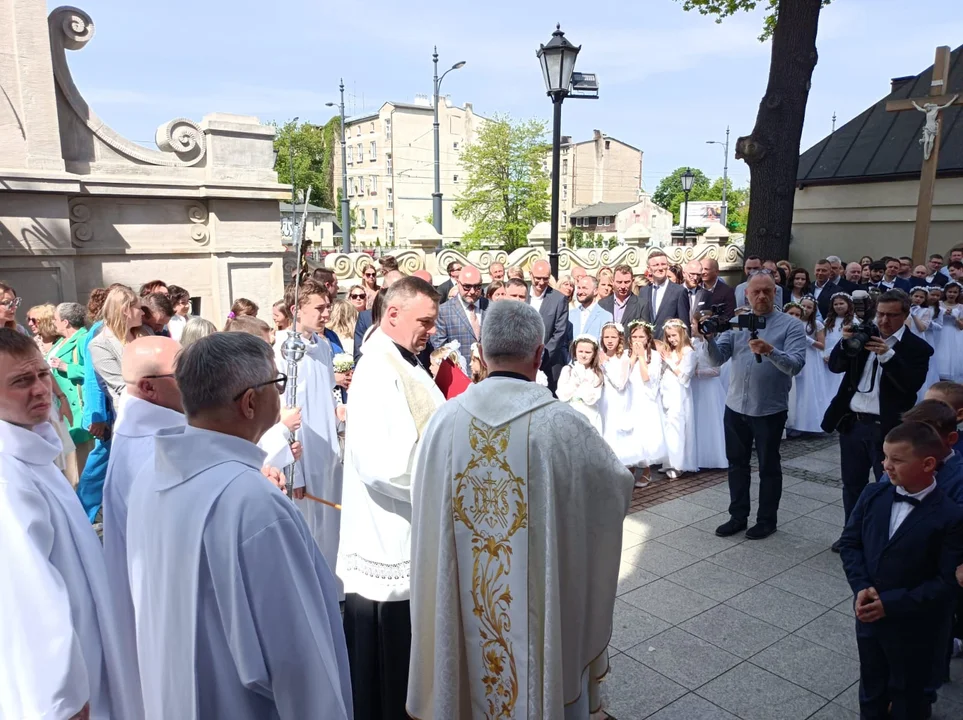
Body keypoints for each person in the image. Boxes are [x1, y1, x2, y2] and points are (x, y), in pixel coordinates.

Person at [407, 300, 634, 719]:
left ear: (481, 350)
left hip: (463, 596)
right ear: (538, 353)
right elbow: (616, 487)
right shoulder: (562, 426)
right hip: (533, 603)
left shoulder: (444, 422)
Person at [125, 333, 351, 718]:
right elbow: (299, 656)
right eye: (276, 383)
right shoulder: (253, 502)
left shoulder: (149, 476)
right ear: (250, 402)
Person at [0, 328, 141, 720]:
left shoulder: (33, 452)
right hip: (67, 685)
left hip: (88, 650)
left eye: (42, 375)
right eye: (20, 382)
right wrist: (61, 698)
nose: (40, 389)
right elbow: (29, 597)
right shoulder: (7, 479)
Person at [338, 276, 446, 719]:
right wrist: (445, 481)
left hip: (405, 530)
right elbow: (383, 464)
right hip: (390, 538)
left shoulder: (405, 361)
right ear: (393, 315)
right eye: (425, 321)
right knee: (389, 665)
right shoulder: (379, 369)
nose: (431, 331)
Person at [839, 421, 963, 720]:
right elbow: (850, 544)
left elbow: (948, 583)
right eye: (884, 457)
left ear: (928, 464)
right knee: (871, 688)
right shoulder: (873, 495)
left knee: (911, 697)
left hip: (917, 629)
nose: (885, 465)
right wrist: (862, 587)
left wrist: (891, 604)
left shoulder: (951, 516)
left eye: (896, 460)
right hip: (869, 618)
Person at [101, 336, 184, 718]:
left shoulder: (144, 430)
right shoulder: (153, 446)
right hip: (168, 610)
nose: (194, 380)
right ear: (149, 387)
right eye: (182, 373)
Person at [822, 289, 933, 551]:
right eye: (881, 314)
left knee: (888, 487)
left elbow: (910, 386)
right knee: (852, 484)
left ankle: (882, 537)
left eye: (892, 316)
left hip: (889, 429)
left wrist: (887, 356)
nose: (884, 321)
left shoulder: (918, 348)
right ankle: (852, 532)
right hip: (854, 423)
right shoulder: (864, 337)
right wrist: (843, 342)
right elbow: (836, 367)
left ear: (905, 315)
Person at [700, 273, 807, 540]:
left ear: (776, 293)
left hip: (769, 409)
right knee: (737, 464)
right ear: (747, 295)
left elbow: (795, 365)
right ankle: (738, 516)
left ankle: (766, 520)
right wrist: (709, 339)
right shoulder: (738, 323)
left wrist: (770, 351)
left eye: (767, 292)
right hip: (736, 406)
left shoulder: (790, 326)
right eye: (756, 292)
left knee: (769, 466)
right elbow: (717, 359)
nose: (761, 296)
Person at [274, 279, 344, 596]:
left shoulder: (324, 345)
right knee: (309, 530)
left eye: (328, 306)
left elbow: (328, 393)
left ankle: (331, 590)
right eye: (319, 307)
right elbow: (285, 409)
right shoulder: (284, 351)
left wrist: (340, 421)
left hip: (328, 450)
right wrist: (294, 469)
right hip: (304, 454)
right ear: (295, 310)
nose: (326, 312)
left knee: (331, 529)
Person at [50, 302, 93, 474]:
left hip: (76, 407)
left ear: (65, 322)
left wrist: (68, 368)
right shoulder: (60, 341)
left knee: (80, 461)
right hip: (60, 406)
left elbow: (93, 371)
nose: (53, 323)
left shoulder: (84, 339)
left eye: (55, 319)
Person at [625, 320, 667, 486]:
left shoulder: (654, 356)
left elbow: (646, 377)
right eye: (634, 336)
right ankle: (632, 467)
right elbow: (623, 375)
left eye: (641, 336)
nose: (637, 340)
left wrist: (641, 357)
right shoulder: (627, 354)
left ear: (648, 338)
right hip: (631, 397)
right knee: (631, 434)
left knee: (645, 434)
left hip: (646, 398)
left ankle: (647, 471)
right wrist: (633, 357)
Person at [88, 286, 145, 405]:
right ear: (126, 310)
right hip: (131, 411)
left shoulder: (144, 333)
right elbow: (120, 386)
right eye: (139, 308)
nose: (143, 313)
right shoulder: (100, 345)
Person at [659, 319, 697, 478]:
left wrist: (669, 361)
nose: (671, 339)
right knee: (667, 427)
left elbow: (685, 376)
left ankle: (678, 463)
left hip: (679, 394)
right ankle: (668, 461)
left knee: (678, 426)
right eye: (668, 336)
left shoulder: (689, 352)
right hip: (667, 391)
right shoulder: (671, 351)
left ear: (682, 334)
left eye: (674, 335)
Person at [785, 298, 829, 435]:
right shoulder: (788, 322)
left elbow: (822, 345)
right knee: (794, 391)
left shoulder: (816, 324)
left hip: (809, 359)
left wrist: (807, 339)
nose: (806, 309)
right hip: (793, 354)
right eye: (803, 305)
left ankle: (807, 423)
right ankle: (792, 422)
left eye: (809, 307)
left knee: (806, 390)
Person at [433, 264, 488, 369]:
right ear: (458, 283)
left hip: (489, 378)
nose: (472, 291)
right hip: (460, 378)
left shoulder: (491, 308)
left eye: (477, 287)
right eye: (467, 286)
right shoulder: (443, 312)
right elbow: (440, 352)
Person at [528, 259, 570, 391]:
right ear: (530, 275)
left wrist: (541, 357)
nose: (541, 283)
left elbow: (560, 333)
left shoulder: (559, 299)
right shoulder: (521, 296)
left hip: (549, 364)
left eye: (545, 279)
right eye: (538, 278)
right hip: (522, 363)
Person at [691, 332, 727, 470]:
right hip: (696, 387)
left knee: (710, 420)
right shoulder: (693, 343)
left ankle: (714, 456)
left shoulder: (712, 345)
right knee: (697, 420)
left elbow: (716, 371)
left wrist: (696, 373)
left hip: (709, 387)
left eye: (695, 324)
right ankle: (697, 456)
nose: (693, 327)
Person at [557, 334, 604, 433]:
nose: (583, 355)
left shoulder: (596, 373)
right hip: (570, 411)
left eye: (588, 352)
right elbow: (562, 395)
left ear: (594, 353)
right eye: (580, 351)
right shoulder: (568, 370)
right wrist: (575, 382)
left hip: (589, 414)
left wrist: (584, 381)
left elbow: (592, 399)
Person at [639, 250, 690, 338]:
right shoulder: (644, 291)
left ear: (668, 266)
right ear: (649, 269)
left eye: (663, 264)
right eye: (656, 265)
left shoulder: (679, 291)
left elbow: (684, 325)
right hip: (648, 346)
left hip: (669, 346)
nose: (660, 268)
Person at [908, 287, 942, 401]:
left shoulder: (925, 311)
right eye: (916, 296)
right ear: (911, 296)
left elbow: (922, 328)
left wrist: (914, 315)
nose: (918, 299)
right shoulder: (904, 308)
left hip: (917, 339)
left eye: (921, 297)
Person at [570, 275, 613, 340]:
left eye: (584, 288)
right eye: (579, 288)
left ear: (595, 291)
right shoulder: (570, 315)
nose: (580, 292)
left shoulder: (605, 316)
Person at [936, 282, 963, 381]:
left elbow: (961, 327)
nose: (952, 294)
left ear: (958, 293)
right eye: (950, 292)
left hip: (955, 334)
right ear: (945, 292)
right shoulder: (938, 304)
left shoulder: (961, 307)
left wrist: (955, 317)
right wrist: (942, 314)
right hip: (940, 332)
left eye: (955, 292)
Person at [700, 257, 737, 322]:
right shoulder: (696, 289)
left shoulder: (727, 291)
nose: (703, 272)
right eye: (701, 269)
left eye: (706, 269)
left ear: (717, 272)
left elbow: (729, 316)